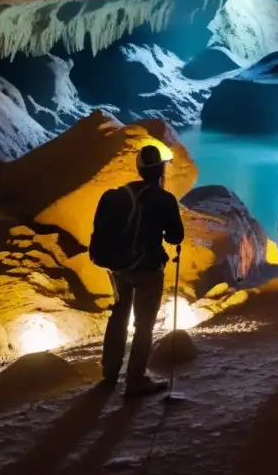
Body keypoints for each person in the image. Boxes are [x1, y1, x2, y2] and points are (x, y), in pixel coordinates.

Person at [99, 144, 185, 398]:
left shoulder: (122, 194)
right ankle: (135, 378)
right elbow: (175, 236)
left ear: (138, 170)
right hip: (148, 269)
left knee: (119, 315)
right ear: (160, 169)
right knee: (144, 324)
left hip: (119, 268)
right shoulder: (164, 199)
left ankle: (110, 370)